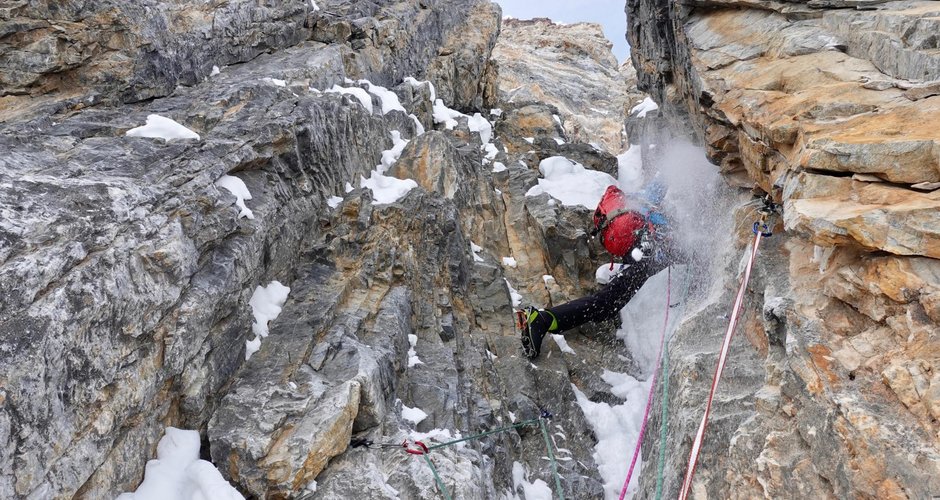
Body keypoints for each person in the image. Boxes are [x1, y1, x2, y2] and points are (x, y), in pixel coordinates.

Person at [520, 180, 680, 359]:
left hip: (639, 251)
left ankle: (544, 320)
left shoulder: (638, 202)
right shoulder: (654, 213)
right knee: (606, 303)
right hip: (647, 251)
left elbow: (662, 179)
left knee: (607, 302)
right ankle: (542, 320)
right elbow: (665, 179)